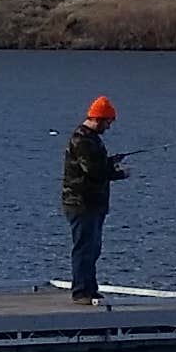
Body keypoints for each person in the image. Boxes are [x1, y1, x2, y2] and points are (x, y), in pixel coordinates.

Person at [59, 94, 128, 300]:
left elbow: (94, 164)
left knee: (93, 248)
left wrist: (110, 161)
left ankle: (90, 288)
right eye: (107, 122)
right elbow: (92, 171)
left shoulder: (91, 139)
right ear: (98, 119)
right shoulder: (82, 139)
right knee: (84, 248)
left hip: (93, 204)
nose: (108, 127)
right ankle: (81, 291)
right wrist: (118, 173)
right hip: (81, 203)